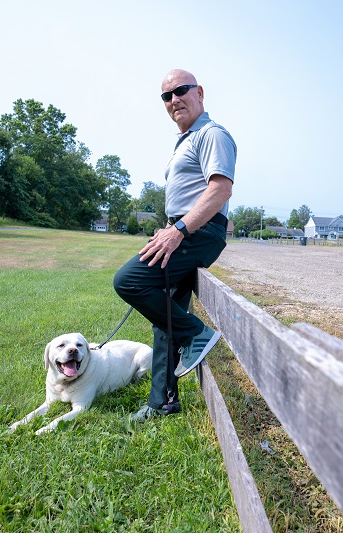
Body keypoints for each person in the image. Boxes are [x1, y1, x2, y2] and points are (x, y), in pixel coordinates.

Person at [113, 69, 237, 422]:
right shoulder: (186, 139)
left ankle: (196, 334)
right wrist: (169, 228)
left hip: (198, 232)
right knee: (166, 315)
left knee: (128, 281)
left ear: (199, 92)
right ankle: (162, 402)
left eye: (180, 91)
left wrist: (179, 229)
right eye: (166, 96)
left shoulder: (212, 134)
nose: (173, 100)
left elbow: (220, 189)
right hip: (183, 231)